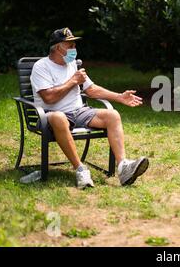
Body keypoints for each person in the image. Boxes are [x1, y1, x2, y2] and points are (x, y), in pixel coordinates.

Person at [30, 27, 149, 189]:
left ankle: (123, 168)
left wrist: (120, 97)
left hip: (79, 112)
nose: (74, 50)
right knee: (58, 117)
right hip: (51, 115)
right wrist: (73, 81)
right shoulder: (41, 67)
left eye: (74, 46)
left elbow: (91, 89)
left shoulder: (72, 64)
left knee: (112, 115)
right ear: (58, 47)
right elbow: (48, 98)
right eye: (70, 46)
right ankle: (80, 169)